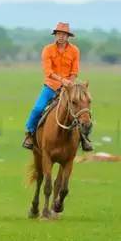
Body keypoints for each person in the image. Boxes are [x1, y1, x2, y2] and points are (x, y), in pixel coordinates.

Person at [22, 22, 92, 151]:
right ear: (55, 35)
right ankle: (30, 134)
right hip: (50, 86)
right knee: (37, 109)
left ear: (68, 36)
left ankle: (84, 138)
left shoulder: (74, 50)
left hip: (68, 88)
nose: (61, 37)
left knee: (81, 109)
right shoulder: (48, 50)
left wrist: (70, 83)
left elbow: (74, 71)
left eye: (64, 34)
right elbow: (48, 71)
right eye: (59, 34)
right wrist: (61, 81)